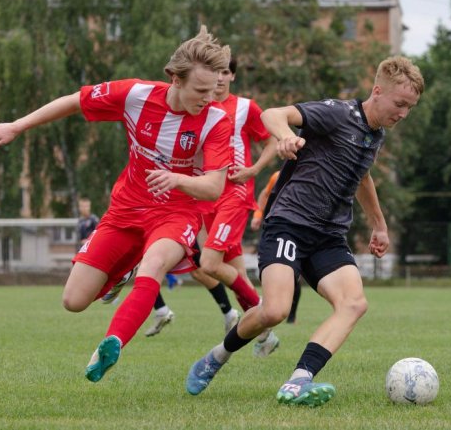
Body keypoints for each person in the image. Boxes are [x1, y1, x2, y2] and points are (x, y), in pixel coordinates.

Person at [0, 26, 233, 383]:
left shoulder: (216, 120)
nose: (209, 98)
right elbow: (75, 100)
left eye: (213, 90)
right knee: (74, 300)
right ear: (175, 79)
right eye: (201, 90)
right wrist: (18, 126)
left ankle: (111, 343)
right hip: (126, 210)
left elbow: (213, 188)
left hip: (177, 213)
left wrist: (177, 180)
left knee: (154, 264)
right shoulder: (136, 95)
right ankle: (122, 271)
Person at [186, 56, 424, 407]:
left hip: (328, 236)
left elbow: (363, 176)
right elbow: (273, 115)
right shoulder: (338, 113)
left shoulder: (376, 135)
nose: (403, 113)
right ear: (377, 91)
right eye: (400, 104)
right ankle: (217, 356)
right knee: (275, 311)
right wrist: (285, 137)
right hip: (289, 224)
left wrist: (379, 224)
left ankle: (299, 381)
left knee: (354, 303)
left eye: (410, 108)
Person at [144, 57, 279, 354]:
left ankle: (261, 316)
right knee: (232, 273)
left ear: (232, 76)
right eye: (215, 72)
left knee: (209, 264)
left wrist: (253, 170)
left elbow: (271, 141)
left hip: (234, 195)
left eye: (225, 72)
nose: (219, 78)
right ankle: (265, 333)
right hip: (204, 197)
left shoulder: (245, 107)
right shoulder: (196, 107)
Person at [251, 170, 301, 324]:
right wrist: (258, 215)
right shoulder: (278, 176)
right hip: (275, 227)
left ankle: (291, 316)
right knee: (271, 270)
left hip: (298, 230)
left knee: (295, 276)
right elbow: (265, 194)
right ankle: (266, 306)